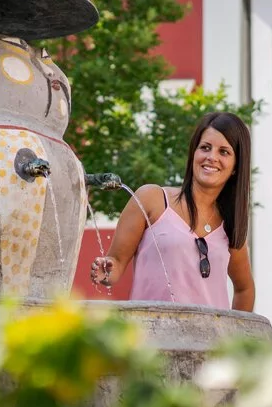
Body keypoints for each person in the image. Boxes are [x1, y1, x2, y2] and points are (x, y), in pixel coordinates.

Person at [90, 112, 255, 311]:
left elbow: (244, 288)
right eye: (205, 148)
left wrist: (237, 338)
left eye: (224, 152)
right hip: (153, 338)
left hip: (212, 340)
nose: (212, 157)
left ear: (236, 166)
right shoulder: (151, 199)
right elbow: (115, 262)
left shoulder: (230, 225)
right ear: (194, 152)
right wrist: (106, 270)